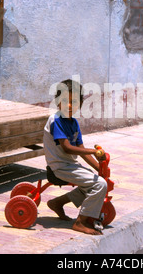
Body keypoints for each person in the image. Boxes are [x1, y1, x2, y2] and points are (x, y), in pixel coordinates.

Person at [43, 79, 107, 235]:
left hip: (68, 165)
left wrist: (100, 168)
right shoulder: (56, 120)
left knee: (94, 182)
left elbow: (80, 149)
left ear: (80, 105)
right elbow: (67, 148)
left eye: (74, 102)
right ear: (57, 102)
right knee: (100, 185)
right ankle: (81, 222)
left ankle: (57, 202)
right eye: (65, 100)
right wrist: (93, 152)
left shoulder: (73, 123)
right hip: (59, 166)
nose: (69, 105)